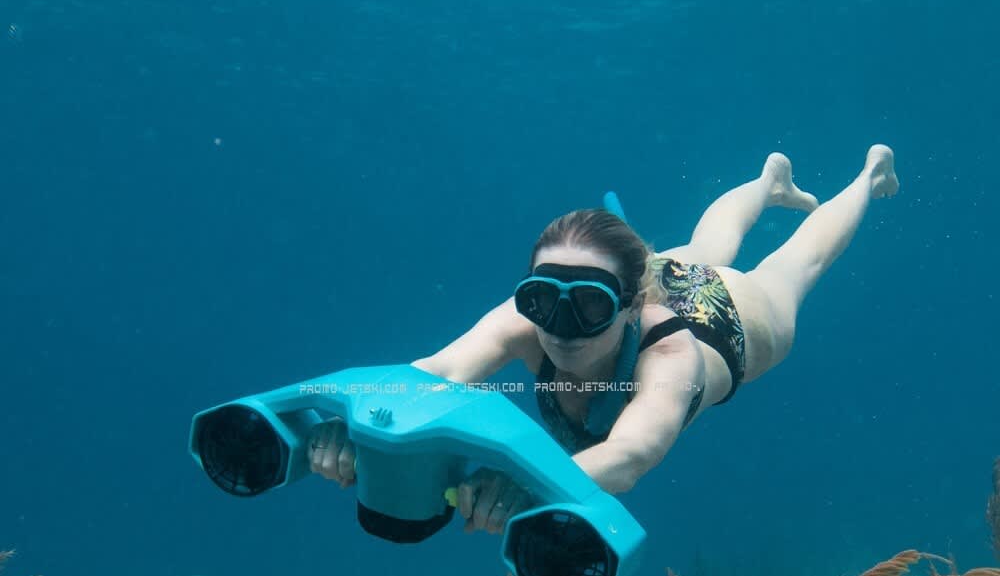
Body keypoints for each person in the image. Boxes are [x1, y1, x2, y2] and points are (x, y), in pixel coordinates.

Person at [309, 145, 898, 534]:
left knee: (795, 264)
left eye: (587, 304)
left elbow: (630, 454)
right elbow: (430, 373)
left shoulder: (671, 357)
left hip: (731, 321)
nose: (559, 326)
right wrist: (354, 425)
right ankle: (769, 182)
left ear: (626, 302)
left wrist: (525, 484)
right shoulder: (527, 321)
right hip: (650, 273)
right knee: (705, 246)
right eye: (543, 299)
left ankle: (869, 174)